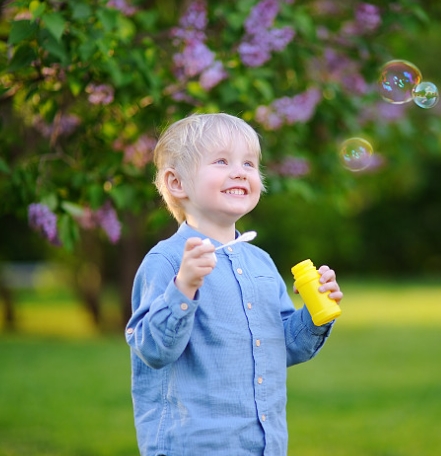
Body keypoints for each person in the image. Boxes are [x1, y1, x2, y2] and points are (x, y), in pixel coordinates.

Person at [125, 113, 343, 456]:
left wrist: (316, 312)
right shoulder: (167, 261)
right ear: (177, 184)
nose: (240, 171)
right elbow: (153, 350)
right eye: (222, 161)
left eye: (250, 163)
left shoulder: (261, 264)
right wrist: (184, 287)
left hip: (263, 445)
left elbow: (283, 346)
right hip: (194, 446)